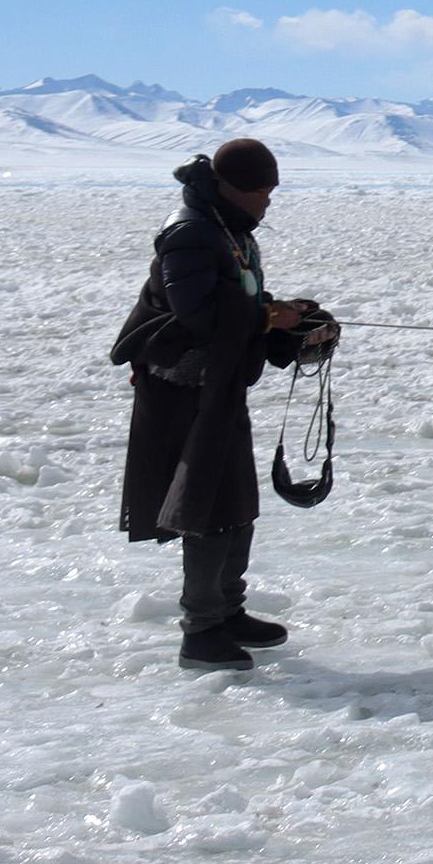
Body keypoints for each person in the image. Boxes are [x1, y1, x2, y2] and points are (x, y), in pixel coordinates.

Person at [110, 139, 325, 671]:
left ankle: (227, 611)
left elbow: (240, 308)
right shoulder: (189, 233)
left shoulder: (227, 230)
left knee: (234, 503)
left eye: (271, 191)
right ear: (229, 187)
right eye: (259, 191)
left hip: (217, 387)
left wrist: (291, 326)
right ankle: (201, 631)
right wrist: (272, 318)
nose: (267, 202)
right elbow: (201, 315)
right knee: (206, 506)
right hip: (181, 393)